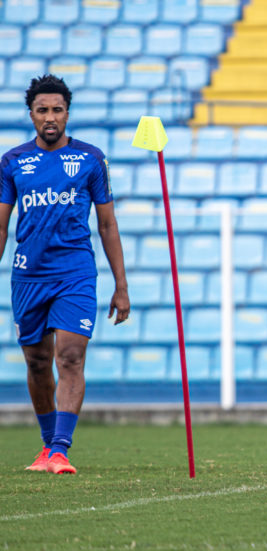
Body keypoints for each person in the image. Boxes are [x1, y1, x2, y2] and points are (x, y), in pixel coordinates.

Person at [0, 75, 130, 474]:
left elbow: (107, 225)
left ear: (67, 114)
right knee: (38, 362)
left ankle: (60, 449)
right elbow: (1, 227)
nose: (50, 117)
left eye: (57, 110)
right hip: (29, 277)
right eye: (42, 110)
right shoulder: (12, 162)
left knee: (70, 357)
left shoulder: (91, 159)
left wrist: (121, 286)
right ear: (31, 115)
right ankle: (46, 446)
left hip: (75, 273)